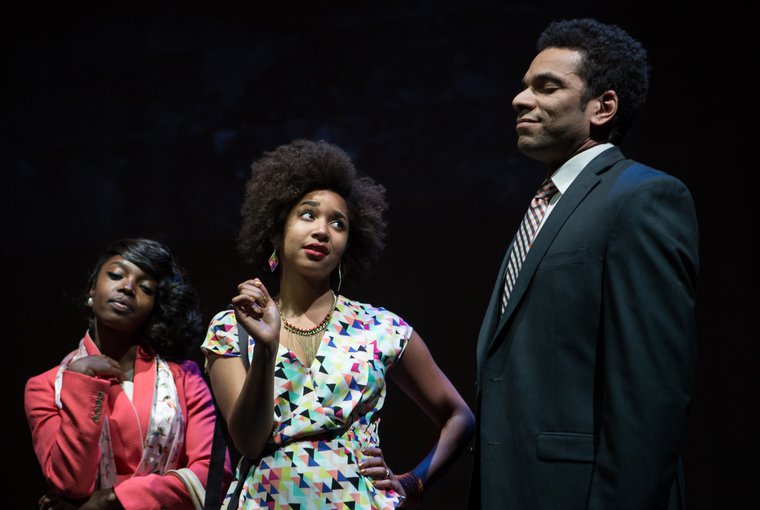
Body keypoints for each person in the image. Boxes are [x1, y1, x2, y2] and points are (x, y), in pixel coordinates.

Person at [468, 18, 699, 510]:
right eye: (525, 85)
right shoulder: (548, 204)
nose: (520, 99)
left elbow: (649, 392)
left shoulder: (642, 197)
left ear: (603, 107)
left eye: (546, 87)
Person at [202, 139, 475, 509]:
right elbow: (249, 442)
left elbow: (459, 417)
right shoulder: (234, 326)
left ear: (349, 245)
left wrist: (412, 483)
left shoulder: (380, 328)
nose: (322, 231)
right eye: (308, 215)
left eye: (338, 223)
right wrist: (266, 347)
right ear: (277, 229)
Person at [25, 238, 232, 510]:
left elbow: (213, 474)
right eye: (116, 275)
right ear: (92, 289)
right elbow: (71, 483)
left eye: (145, 287)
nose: (127, 287)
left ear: (154, 307)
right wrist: (82, 382)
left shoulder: (184, 377)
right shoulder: (46, 386)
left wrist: (111, 500)